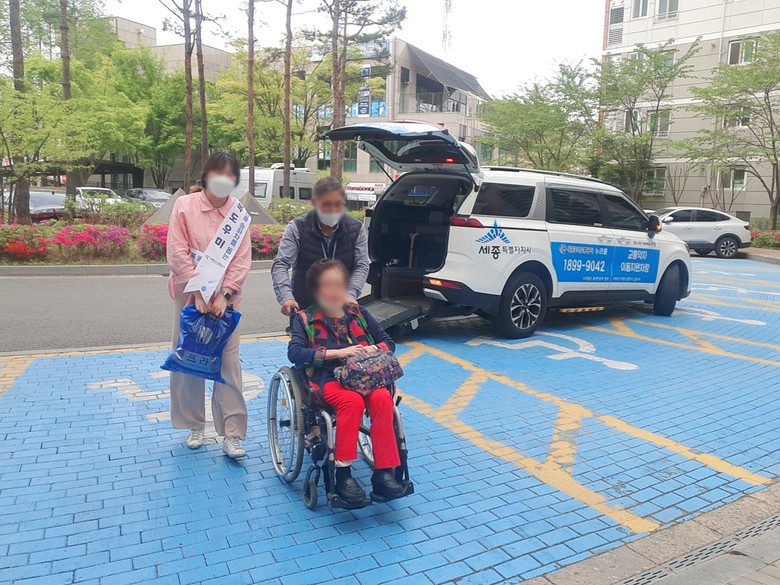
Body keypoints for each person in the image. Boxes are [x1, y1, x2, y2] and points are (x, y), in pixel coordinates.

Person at [287, 260, 406, 504]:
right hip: (328, 378)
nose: (334, 290)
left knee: (383, 398)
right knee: (351, 402)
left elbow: (388, 342)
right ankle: (342, 474)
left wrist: (373, 348)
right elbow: (295, 353)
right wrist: (337, 353)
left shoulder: (359, 313)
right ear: (316, 289)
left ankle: (384, 473)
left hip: (366, 377)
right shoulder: (305, 319)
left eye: (339, 284)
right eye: (327, 285)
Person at [166, 153, 252, 459]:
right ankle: (194, 424)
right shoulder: (185, 206)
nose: (223, 179)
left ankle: (232, 433)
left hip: (226, 301)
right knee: (190, 357)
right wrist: (199, 294)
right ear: (205, 175)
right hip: (190, 297)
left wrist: (224, 295)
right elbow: (177, 251)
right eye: (218, 173)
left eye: (230, 174)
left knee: (229, 364)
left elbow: (241, 260)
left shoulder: (239, 215)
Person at [272, 177, 369, 315]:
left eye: (338, 204)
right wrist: (286, 298)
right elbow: (281, 263)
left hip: (342, 307)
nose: (333, 210)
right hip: (305, 307)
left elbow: (362, 264)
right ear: (314, 203)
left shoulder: (356, 228)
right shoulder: (297, 228)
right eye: (327, 204)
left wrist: (351, 294)